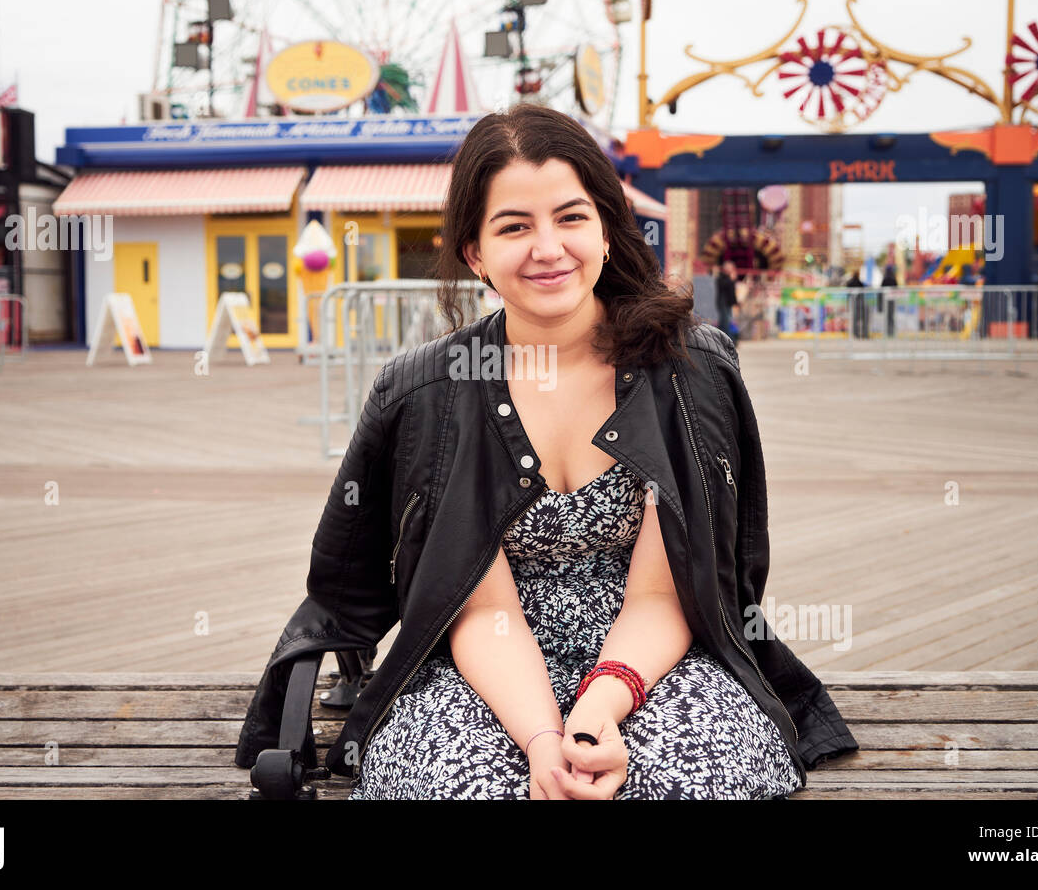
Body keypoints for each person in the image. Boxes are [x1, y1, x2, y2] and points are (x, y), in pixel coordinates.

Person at [335, 103, 846, 799]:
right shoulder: (437, 391)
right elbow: (483, 610)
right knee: (471, 787)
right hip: (480, 657)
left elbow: (665, 591)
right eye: (514, 226)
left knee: (679, 780)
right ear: (475, 253)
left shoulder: (688, 371)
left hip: (655, 652)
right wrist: (546, 741)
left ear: (606, 230)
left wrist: (600, 709)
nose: (548, 247)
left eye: (571, 217)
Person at [713, 259, 738, 342]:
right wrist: (731, 280)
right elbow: (724, 285)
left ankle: (727, 339)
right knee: (725, 322)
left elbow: (732, 291)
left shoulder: (729, 278)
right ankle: (724, 340)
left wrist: (735, 302)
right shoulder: (721, 277)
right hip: (723, 303)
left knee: (728, 321)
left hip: (728, 303)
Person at [845, 268, 866, 338]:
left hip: (853, 303)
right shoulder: (860, 283)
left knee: (854, 319)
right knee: (861, 319)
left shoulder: (849, 282)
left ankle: (855, 333)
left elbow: (847, 293)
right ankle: (863, 333)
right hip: (860, 303)